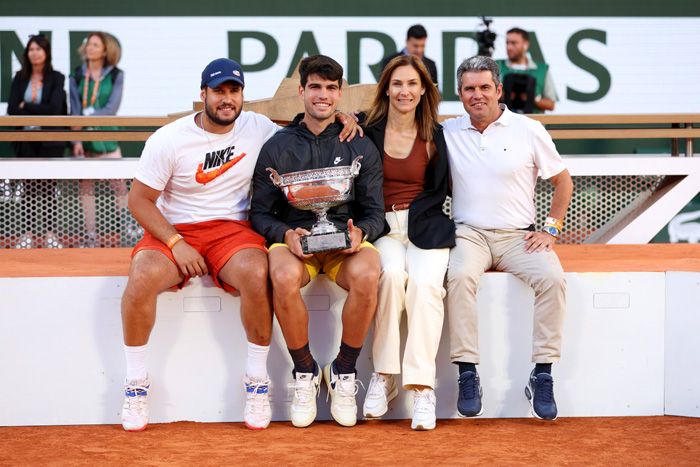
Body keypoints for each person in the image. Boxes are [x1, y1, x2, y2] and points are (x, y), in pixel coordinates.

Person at [120, 58, 360, 433]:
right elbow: (138, 201)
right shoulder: (169, 139)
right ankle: (135, 385)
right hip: (177, 229)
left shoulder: (258, 127)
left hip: (232, 229)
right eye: (219, 91)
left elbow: (308, 124)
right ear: (203, 94)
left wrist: (345, 116)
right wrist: (174, 242)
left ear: (242, 95)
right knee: (141, 277)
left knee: (256, 271)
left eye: (234, 91)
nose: (226, 99)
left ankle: (256, 382)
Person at [250, 55, 385, 428]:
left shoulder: (359, 143)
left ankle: (343, 372)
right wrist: (285, 234)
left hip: (344, 241)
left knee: (370, 273)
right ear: (301, 91)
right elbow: (259, 214)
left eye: (330, 88)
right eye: (315, 87)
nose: (322, 95)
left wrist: (362, 233)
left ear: (340, 93)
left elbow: (376, 211)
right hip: (296, 242)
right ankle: (305, 373)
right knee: (280, 275)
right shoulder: (277, 147)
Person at [442, 56, 573, 421]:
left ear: (499, 90)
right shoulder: (449, 132)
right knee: (459, 276)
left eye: (485, 87)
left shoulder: (529, 129)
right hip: (469, 233)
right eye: (469, 88)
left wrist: (551, 229)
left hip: (519, 235)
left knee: (552, 279)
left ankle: (542, 374)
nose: (477, 95)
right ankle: (467, 372)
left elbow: (563, 181)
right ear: (460, 93)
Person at [361, 55, 454, 431]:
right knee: (390, 278)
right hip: (383, 228)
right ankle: (384, 376)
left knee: (426, 287)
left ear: (424, 90)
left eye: (413, 84)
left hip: (425, 227)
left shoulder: (437, 134)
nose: (405, 91)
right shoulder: (367, 130)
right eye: (397, 83)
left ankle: (421, 387)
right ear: (386, 88)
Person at [7, 34, 68, 249]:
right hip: (25, 141)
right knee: (28, 188)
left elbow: (54, 109)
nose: (34, 53)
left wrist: (27, 106)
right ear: (27, 53)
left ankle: (51, 234)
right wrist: (25, 108)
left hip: (50, 141)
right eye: (31, 49)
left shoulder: (57, 78)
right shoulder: (20, 77)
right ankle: (28, 234)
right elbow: (12, 109)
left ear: (46, 52)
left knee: (48, 188)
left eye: (38, 49)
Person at [69, 31, 129, 247]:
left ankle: (127, 231)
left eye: (95, 45)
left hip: (108, 137)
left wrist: (84, 119)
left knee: (119, 185)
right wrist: (76, 140)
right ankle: (91, 236)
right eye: (88, 44)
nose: (89, 48)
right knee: (86, 186)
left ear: (106, 50)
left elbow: (111, 108)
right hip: (83, 139)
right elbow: (74, 110)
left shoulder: (116, 75)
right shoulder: (76, 75)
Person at [495, 28, 558, 113]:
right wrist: (503, 96)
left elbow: (551, 104)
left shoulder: (542, 69)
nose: (509, 47)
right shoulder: (496, 65)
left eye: (514, 43)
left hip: (533, 123)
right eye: (507, 43)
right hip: (502, 124)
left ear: (525, 44)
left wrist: (531, 98)